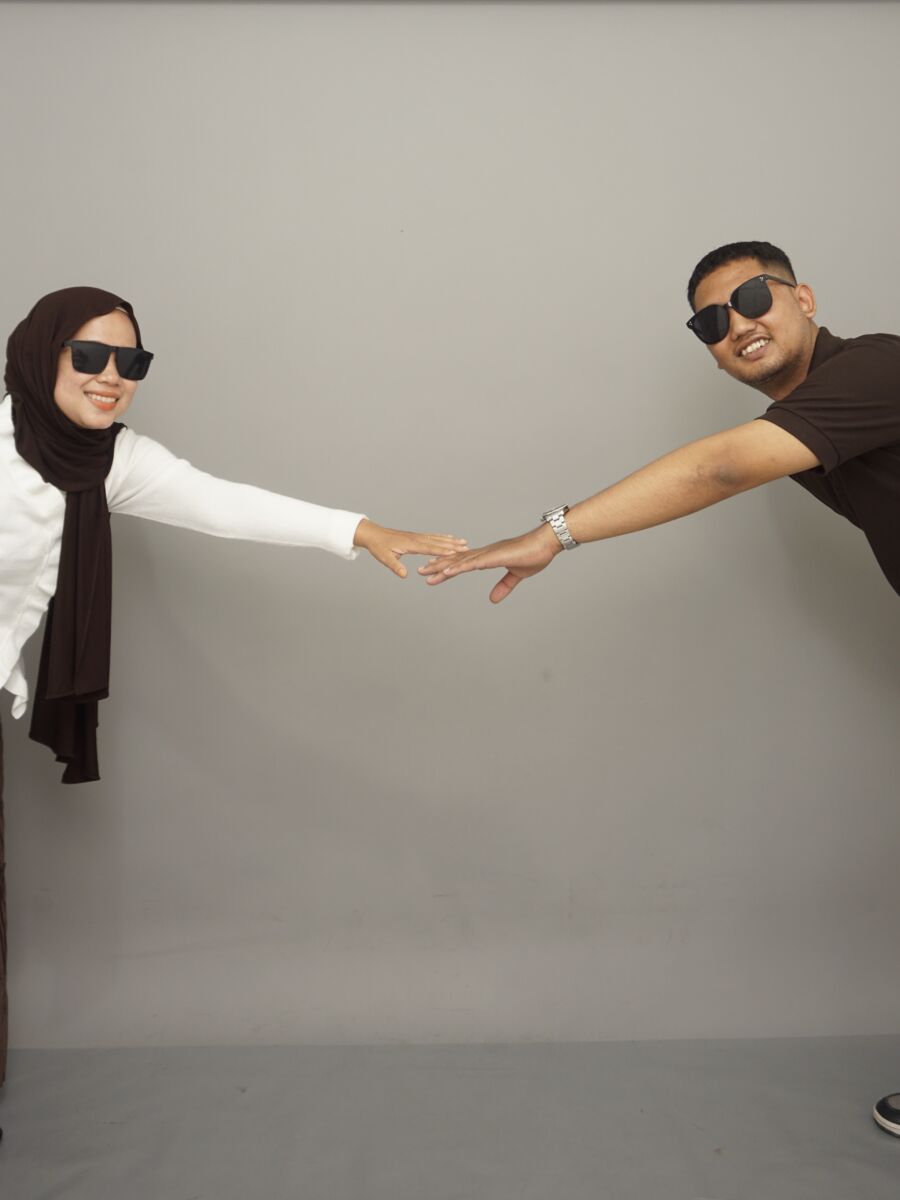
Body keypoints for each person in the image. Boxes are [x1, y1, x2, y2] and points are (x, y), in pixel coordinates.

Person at [419, 240, 900, 1137]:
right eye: (711, 321)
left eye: (752, 298)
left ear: (802, 297)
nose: (736, 325)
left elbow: (718, 468)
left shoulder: (874, 368)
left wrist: (551, 534)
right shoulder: (809, 425)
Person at [0, 285, 467, 1114]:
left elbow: (222, 504)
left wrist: (360, 530)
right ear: (43, 354)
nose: (112, 376)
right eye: (90, 354)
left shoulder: (108, 461)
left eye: (131, 361)